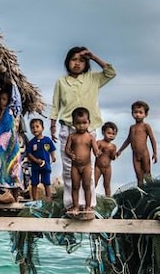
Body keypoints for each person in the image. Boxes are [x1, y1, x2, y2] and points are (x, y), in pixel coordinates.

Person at [49, 46, 117, 209]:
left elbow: (111, 73)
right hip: (68, 129)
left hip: (88, 132)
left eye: (81, 60)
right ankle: (71, 205)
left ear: (86, 63)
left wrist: (93, 56)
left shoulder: (92, 79)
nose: (77, 63)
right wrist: (52, 125)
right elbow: (55, 105)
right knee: (68, 169)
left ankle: (88, 205)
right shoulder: (61, 82)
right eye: (73, 60)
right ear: (67, 62)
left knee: (88, 169)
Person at [66, 107, 100, 215]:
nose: (81, 126)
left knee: (87, 186)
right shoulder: (72, 136)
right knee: (75, 186)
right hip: (75, 166)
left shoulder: (90, 137)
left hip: (86, 166)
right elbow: (66, 149)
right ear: (73, 123)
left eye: (84, 123)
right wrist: (70, 154)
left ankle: (88, 206)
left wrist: (97, 153)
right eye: (78, 123)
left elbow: (95, 149)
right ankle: (75, 206)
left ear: (89, 122)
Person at [116, 100, 158, 187]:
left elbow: (152, 139)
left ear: (145, 115)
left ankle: (151, 192)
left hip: (144, 154)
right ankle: (141, 193)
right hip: (135, 155)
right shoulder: (132, 128)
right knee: (139, 176)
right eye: (135, 112)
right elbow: (128, 140)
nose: (138, 114)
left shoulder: (146, 126)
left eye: (140, 112)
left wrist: (155, 153)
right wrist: (120, 150)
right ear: (132, 113)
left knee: (147, 174)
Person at [0, 84, 23, 203]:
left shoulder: (11, 111)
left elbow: (17, 102)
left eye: (4, 99)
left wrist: (13, 84)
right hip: (1, 146)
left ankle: (15, 198)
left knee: (13, 168)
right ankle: (5, 194)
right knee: (2, 167)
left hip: (12, 144)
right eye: (0, 98)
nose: (1, 101)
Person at [25, 118, 57, 200]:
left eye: (37, 126)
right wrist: (36, 160)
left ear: (42, 128)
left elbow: (52, 149)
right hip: (35, 166)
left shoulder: (47, 140)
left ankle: (48, 198)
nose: (35, 129)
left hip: (45, 165)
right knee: (34, 182)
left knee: (46, 182)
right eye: (32, 127)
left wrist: (53, 157)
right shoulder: (31, 142)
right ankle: (34, 199)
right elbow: (29, 154)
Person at [95, 121, 118, 197]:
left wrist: (113, 154)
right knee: (94, 182)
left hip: (107, 168)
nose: (111, 136)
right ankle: (90, 197)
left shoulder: (113, 146)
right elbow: (94, 152)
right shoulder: (99, 142)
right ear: (103, 132)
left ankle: (108, 198)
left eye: (113, 134)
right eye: (109, 133)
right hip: (98, 167)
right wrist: (99, 151)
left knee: (107, 184)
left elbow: (113, 158)